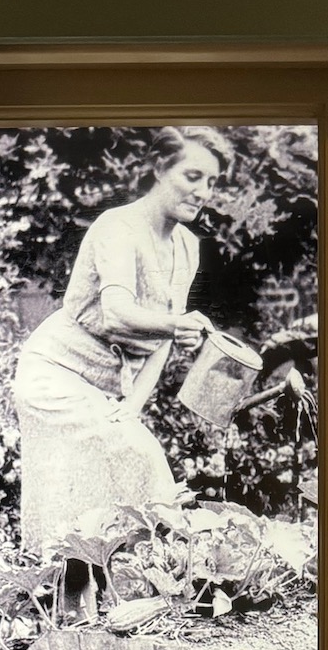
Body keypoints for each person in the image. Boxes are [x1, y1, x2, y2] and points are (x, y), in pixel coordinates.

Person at [13, 127, 231, 583]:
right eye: (193, 175)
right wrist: (178, 322)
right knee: (131, 465)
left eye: (212, 182)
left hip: (107, 388)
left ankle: (122, 598)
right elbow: (116, 313)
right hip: (55, 375)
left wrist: (132, 408)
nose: (203, 192)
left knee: (105, 494)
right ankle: (167, 583)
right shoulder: (117, 227)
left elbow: (162, 337)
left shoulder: (186, 246)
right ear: (159, 168)